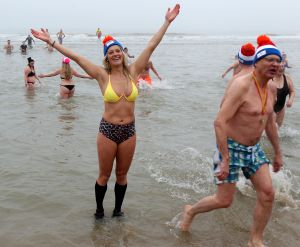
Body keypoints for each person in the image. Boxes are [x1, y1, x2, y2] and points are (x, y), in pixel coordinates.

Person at [31, 4, 180, 219]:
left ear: (122, 53)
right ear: (106, 57)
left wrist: (167, 22)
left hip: (129, 130)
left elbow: (151, 45)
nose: (115, 54)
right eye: (111, 52)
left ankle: (118, 210)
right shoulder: (102, 75)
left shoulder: (134, 70)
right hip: (107, 131)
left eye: (118, 50)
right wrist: (51, 41)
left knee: (122, 175)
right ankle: (99, 210)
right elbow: (77, 58)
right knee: (104, 175)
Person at [180, 35, 283, 247]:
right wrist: (225, 158)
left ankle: (255, 239)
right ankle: (191, 210)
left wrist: (278, 153)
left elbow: (270, 123)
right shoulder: (241, 85)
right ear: (257, 62)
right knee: (224, 201)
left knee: (268, 194)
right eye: (270, 60)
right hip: (229, 148)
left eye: (278, 60)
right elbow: (219, 121)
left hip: (253, 149)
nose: (275, 64)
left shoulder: (272, 89)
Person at [272, 62, 295, 127]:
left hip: (281, 108)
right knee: (270, 129)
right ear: (275, 68)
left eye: (283, 66)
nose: (282, 68)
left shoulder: (287, 78)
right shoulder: (269, 78)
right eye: (280, 67)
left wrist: (290, 100)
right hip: (270, 108)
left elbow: (292, 91)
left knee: (278, 128)